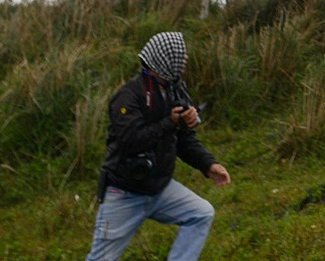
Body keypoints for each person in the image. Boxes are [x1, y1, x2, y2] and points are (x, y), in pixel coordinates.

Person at [85, 32, 231, 261]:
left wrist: (208, 165)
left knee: (201, 213)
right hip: (123, 193)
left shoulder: (175, 90)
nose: (185, 61)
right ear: (164, 59)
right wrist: (170, 122)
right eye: (179, 56)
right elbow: (129, 142)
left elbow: (184, 140)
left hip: (159, 189)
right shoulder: (128, 96)